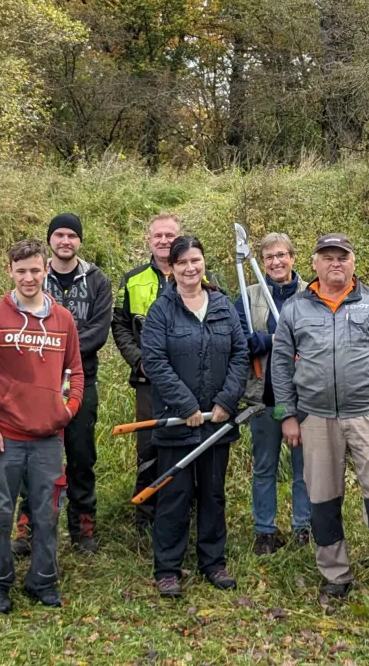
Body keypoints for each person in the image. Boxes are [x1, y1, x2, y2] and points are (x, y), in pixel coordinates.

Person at [270, 233, 369, 608]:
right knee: (322, 499)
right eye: (328, 257)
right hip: (316, 418)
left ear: (354, 262)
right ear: (315, 264)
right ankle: (336, 576)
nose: (335, 263)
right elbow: (281, 364)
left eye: (342, 257)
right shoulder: (296, 309)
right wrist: (287, 415)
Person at [0, 240, 85, 613]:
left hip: (48, 438)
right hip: (4, 438)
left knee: (46, 513)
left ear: (45, 270)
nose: (29, 277)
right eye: (22, 271)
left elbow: (76, 371)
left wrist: (69, 409)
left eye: (35, 270)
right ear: (11, 273)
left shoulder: (63, 319)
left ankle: (43, 581)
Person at [141, 236, 251, 597]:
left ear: (204, 264)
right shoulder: (161, 310)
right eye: (183, 262)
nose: (191, 268)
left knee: (213, 494)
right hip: (178, 421)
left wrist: (226, 400)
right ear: (171, 268)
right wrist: (186, 405)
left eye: (196, 261)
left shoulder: (221, 304)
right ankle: (168, 568)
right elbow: (155, 362)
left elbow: (240, 354)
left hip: (217, 422)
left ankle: (213, 562)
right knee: (174, 495)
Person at [11, 213, 111, 556]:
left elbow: (99, 330)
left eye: (71, 235)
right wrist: (49, 353)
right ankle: (28, 525)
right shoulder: (36, 275)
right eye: (59, 235)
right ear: (50, 240)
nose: (65, 241)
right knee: (33, 455)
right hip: (36, 383)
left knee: (81, 455)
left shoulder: (97, 280)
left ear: (79, 241)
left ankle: (83, 528)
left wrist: (61, 349)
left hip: (83, 378)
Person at [236, 231, 311, 553]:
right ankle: (265, 531)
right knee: (264, 467)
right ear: (261, 262)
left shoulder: (312, 293)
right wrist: (268, 340)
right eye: (269, 257)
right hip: (262, 397)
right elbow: (239, 339)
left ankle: (303, 528)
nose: (276, 262)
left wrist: (272, 340)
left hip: (305, 397)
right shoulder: (247, 291)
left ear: (293, 257)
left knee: (304, 469)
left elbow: (314, 338)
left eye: (281, 255)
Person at [112, 212, 181, 534]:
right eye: (159, 236)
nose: (164, 241)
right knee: (149, 447)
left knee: (185, 442)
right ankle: (146, 516)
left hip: (189, 380)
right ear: (148, 240)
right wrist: (137, 359)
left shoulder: (197, 274)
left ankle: (183, 508)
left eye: (170, 235)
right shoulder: (133, 279)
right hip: (148, 380)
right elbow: (121, 325)